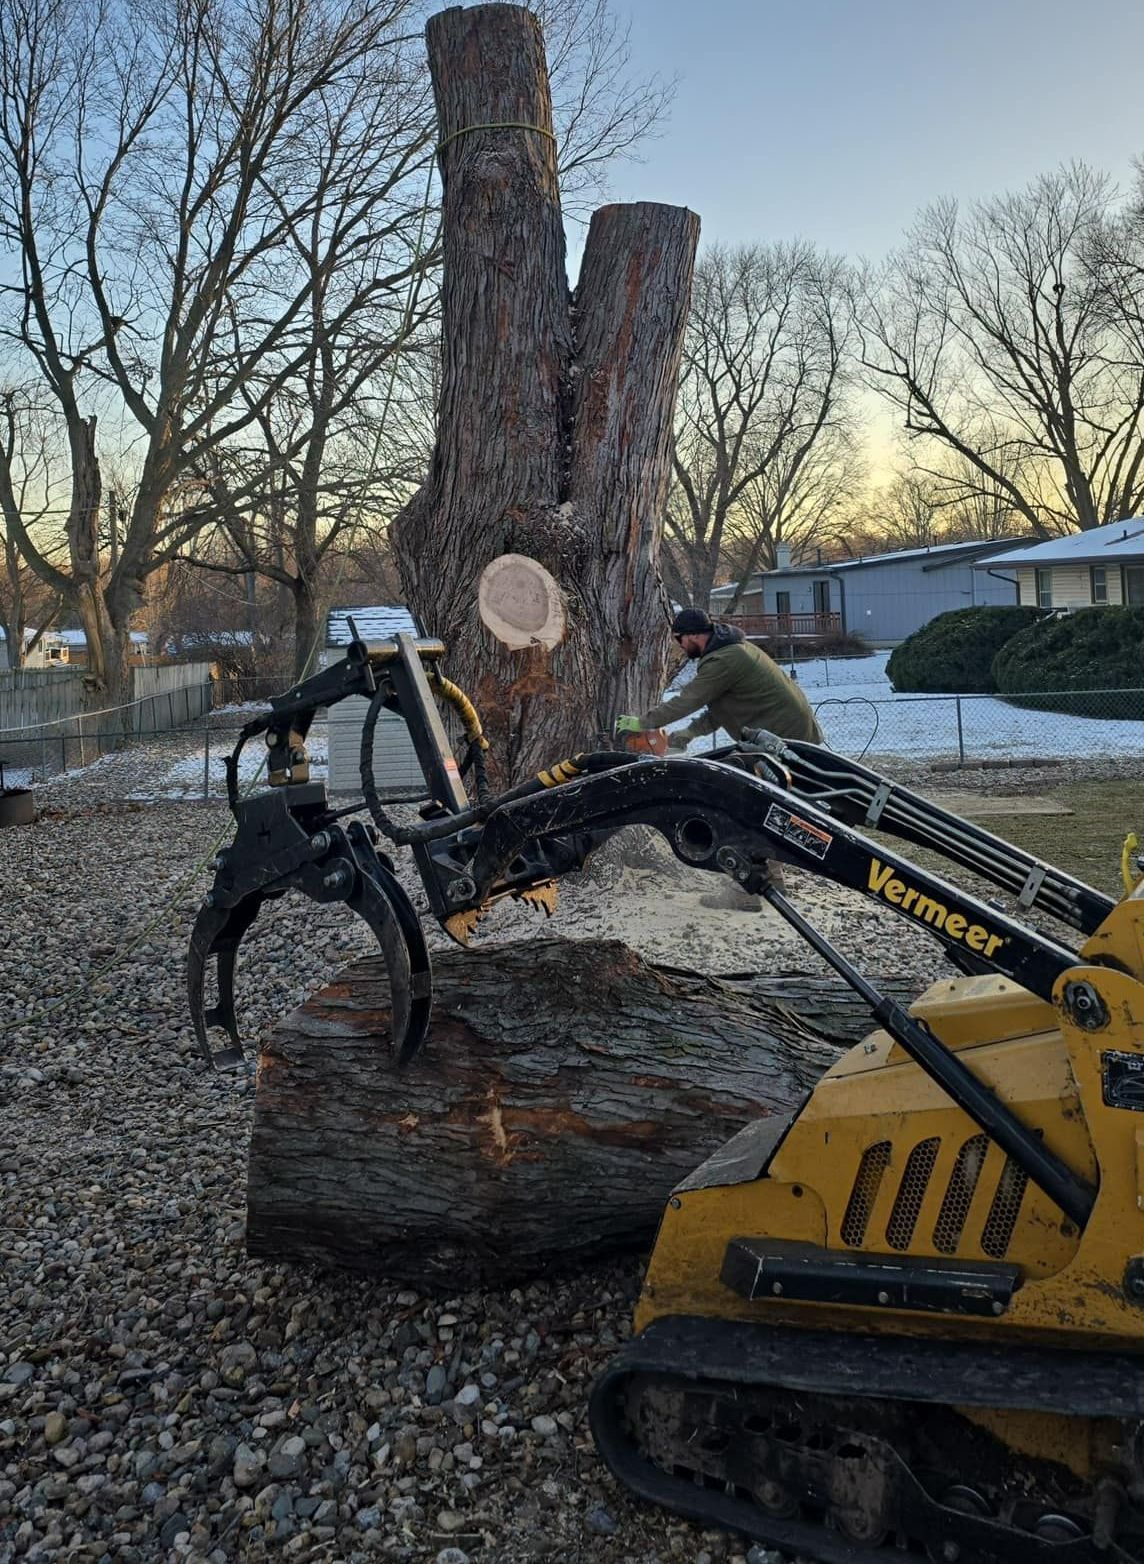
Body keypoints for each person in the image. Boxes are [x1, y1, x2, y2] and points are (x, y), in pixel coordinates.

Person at [617, 607, 825, 911]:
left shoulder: (724, 660)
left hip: (780, 743)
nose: (679, 647)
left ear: (692, 636)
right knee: (767, 809)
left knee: (738, 806)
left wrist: (642, 722)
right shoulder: (736, 650)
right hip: (788, 739)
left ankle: (746, 893)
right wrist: (688, 734)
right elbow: (719, 709)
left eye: (679, 640)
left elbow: (687, 700)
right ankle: (773, 882)